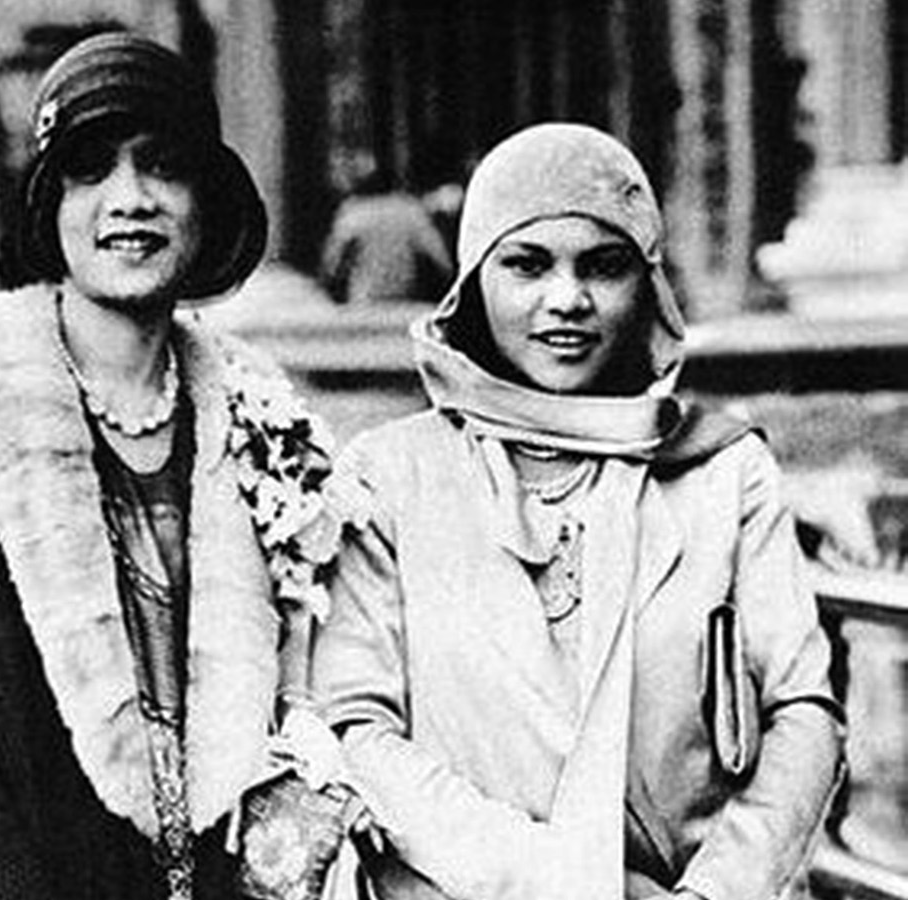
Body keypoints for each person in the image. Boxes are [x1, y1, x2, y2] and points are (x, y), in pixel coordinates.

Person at [0, 31, 343, 900]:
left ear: (205, 199)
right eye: (90, 169)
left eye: (163, 167)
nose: (131, 201)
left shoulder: (258, 415)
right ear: (50, 203)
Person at [312, 123, 844, 900]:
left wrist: (715, 894)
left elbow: (803, 712)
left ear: (648, 287)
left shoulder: (724, 470)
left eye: (604, 266)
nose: (568, 299)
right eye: (527, 265)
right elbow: (355, 730)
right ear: (472, 283)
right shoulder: (390, 477)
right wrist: (575, 885)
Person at [319, 154, 454, 306]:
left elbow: (332, 267)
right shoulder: (410, 211)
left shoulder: (352, 213)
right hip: (404, 305)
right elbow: (441, 262)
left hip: (362, 304)